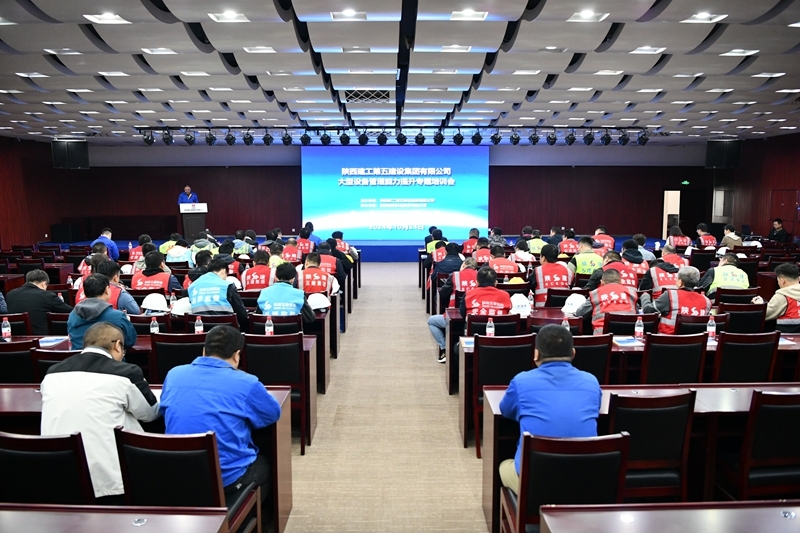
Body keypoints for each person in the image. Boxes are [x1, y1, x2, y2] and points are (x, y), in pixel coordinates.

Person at [160, 326, 280, 517]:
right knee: (267, 465)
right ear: (237, 355)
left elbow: (164, 410)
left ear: (204, 351)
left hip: (176, 473)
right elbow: (272, 414)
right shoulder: (246, 383)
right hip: (224, 480)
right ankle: (243, 520)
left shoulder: (174, 374)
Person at [41, 322, 159, 502]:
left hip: (57, 477)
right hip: (110, 483)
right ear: (117, 345)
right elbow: (150, 414)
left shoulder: (52, 373)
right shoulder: (125, 373)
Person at [498, 325, 601, 495]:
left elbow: (505, 411)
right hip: (585, 480)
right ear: (573, 353)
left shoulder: (521, 381)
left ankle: (523, 507)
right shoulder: (592, 382)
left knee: (503, 466)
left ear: (536, 354)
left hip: (536, 482)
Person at [67, 274, 137, 350]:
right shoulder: (118, 316)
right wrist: (127, 322)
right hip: (108, 357)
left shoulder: (73, 315)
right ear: (107, 290)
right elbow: (130, 341)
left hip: (78, 357)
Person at [641, 266, 711, 334]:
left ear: (680, 282)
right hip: (696, 341)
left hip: (666, 340)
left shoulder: (670, 295)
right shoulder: (707, 301)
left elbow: (648, 310)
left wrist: (645, 296)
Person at [5, 269, 72, 334]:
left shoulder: (10, 294)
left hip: (14, 337)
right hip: (41, 337)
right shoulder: (47, 296)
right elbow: (71, 311)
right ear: (43, 284)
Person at [188, 258, 249, 329]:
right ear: (223, 271)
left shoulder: (192, 286)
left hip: (199, 329)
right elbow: (241, 314)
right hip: (224, 330)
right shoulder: (227, 285)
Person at [575, 269, 638, 334]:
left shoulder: (595, 294)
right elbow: (637, 312)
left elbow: (580, 313)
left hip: (602, 337)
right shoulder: (631, 293)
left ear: (602, 282)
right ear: (620, 282)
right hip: (629, 335)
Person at [757, 263, 800, 333]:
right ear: (799, 279)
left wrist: (760, 305)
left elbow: (764, 315)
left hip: (785, 336)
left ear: (782, 281)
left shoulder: (782, 296)